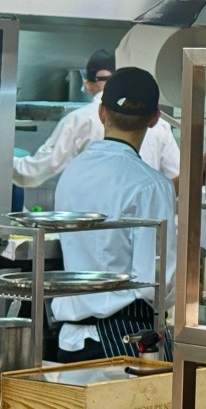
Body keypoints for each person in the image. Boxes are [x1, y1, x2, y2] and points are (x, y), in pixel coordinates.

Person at [51, 67, 177, 362]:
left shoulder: (72, 173)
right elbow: (156, 284)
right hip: (121, 344)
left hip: (69, 343)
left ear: (102, 113)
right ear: (154, 118)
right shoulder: (152, 186)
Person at [13, 49, 181, 188]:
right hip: (145, 214)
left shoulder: (80, 120)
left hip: (90, 215)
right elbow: (178, 176)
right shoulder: (161, 125)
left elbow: (32, 174)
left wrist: (6, 160)